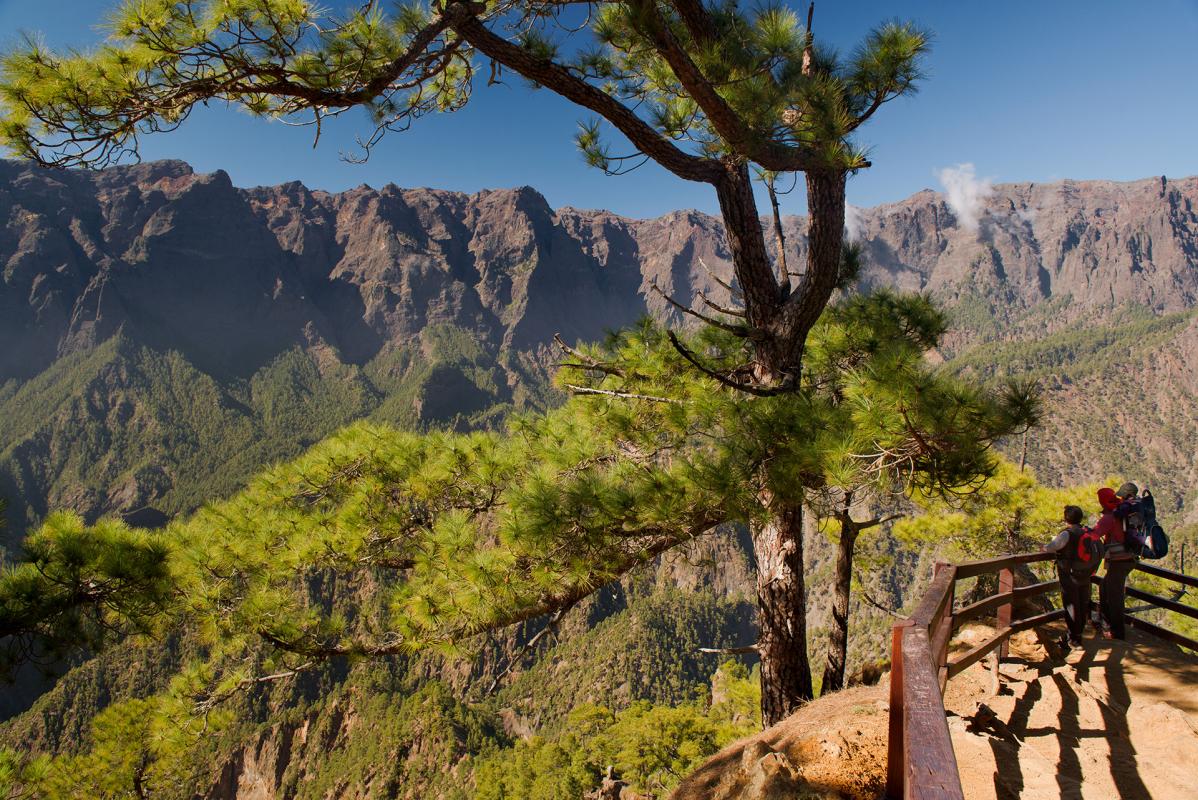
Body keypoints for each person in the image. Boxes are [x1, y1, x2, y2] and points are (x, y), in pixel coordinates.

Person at [1044, 505, 1096, 648]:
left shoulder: (1067, 534)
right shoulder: (1086, 532)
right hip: (1085, 574)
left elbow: (1051, 547)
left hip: (1069, 575)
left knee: (1071, 606)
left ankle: (1074, 639)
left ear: (1066, 518)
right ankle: (1076, 636)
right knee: (1082, 604)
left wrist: (1043, 547)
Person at [1095, 486, 1137, 640]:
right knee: (1105, 587)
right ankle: (1106, 625)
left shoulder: (1109, 516)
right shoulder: (1122, 510)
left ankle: (1117, 633)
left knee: (1115, 597)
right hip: (1129, 558)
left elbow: (1094, 534)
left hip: (1119, 561)